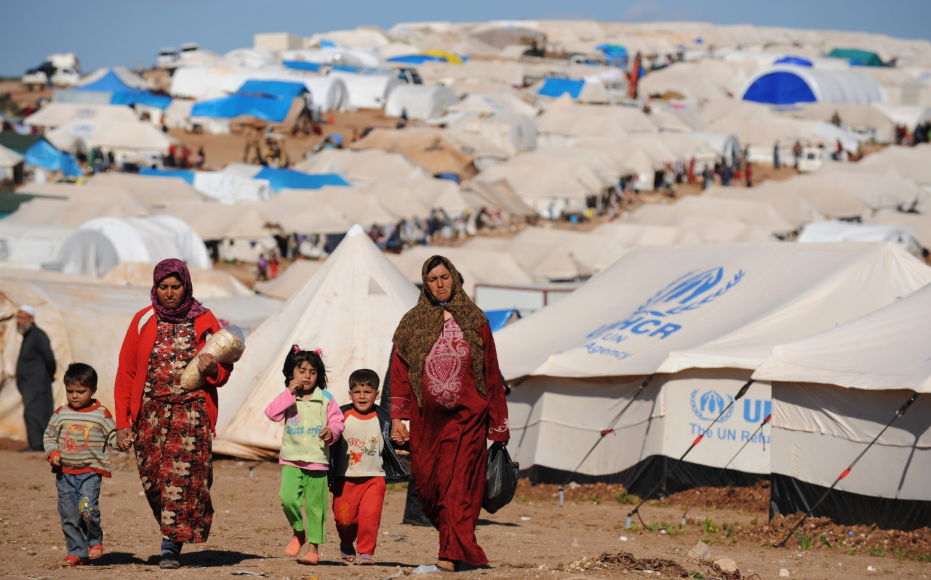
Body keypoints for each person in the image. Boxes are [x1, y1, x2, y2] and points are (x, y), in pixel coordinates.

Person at [389, 256, 510, 572]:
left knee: (457, 486)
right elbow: (399, 372)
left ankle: (452, 554)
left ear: (454, 279)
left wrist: (498, 424)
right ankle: (456, 546)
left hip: (469, 418)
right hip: (427, 423)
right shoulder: (412, 324)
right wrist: (398, 418)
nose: (440, 283)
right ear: (425, 284)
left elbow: (492, 374)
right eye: (433, 279)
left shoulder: (475, 320)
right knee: (431, 488)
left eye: (445, 277)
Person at [113, 259, 233, 569]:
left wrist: (213, 369)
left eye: (175, 287)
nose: (169, 293)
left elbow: (225, 367)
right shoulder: (142, 320)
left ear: (186, 286)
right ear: (155, 287)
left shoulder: (205, 319)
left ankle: (170, 545)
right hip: (150, 413)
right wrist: (123, 422)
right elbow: (126, 373)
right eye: (163, 287)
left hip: (191, 412)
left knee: (180, 480)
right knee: (154, 480)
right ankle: (172, 529)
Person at [265, 347, 344, 566]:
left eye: (312, 372)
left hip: (318, 462)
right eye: (301, 371)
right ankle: (298, 532)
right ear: (291, 374)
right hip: (292, 459)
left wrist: (332, 432)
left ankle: (313, 549)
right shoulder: (288, 398)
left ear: (319, 376)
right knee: (288, 498)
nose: (306, 376)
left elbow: (338, 421)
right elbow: (271, 414)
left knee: (315, 507)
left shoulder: (326, 398)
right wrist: (288, 393)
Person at [330, 369, 411, 566]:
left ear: (377, 393)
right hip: (344, 478)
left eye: (368, 392)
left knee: (370, 518)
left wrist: (406, 440)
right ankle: (347, 543)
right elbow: (328, 436)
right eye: (357, 392)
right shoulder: (340, 414)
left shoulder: (385, 417)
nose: (362, 396)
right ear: (350, 394)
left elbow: (398, 439)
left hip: (374, 478)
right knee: (344, 520)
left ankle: (366, 553)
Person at [44, 363, 117, 567]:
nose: (74, 396)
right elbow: (49, 436)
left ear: (93, 390)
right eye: (70, 391)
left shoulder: (101, 414)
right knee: (67, 514)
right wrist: (53, 453)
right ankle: (77, 551)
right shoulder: (61, 413)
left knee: (87, 509)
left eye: (80, 391)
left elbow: (112, 435)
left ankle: (94, 542)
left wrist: (122, 441)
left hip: (89, 473)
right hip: (64, 474)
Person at [16, 305, 56, 452]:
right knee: (34, 412)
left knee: (35, 413)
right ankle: (37, 444)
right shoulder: (28, 336)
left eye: (22, 318)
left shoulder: (38, 335)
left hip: (38, 382)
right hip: (30, 383)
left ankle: (37, 445)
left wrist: (49, 375)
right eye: (17, 318)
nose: (18, 321)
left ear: (31, 319)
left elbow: (50, 358)